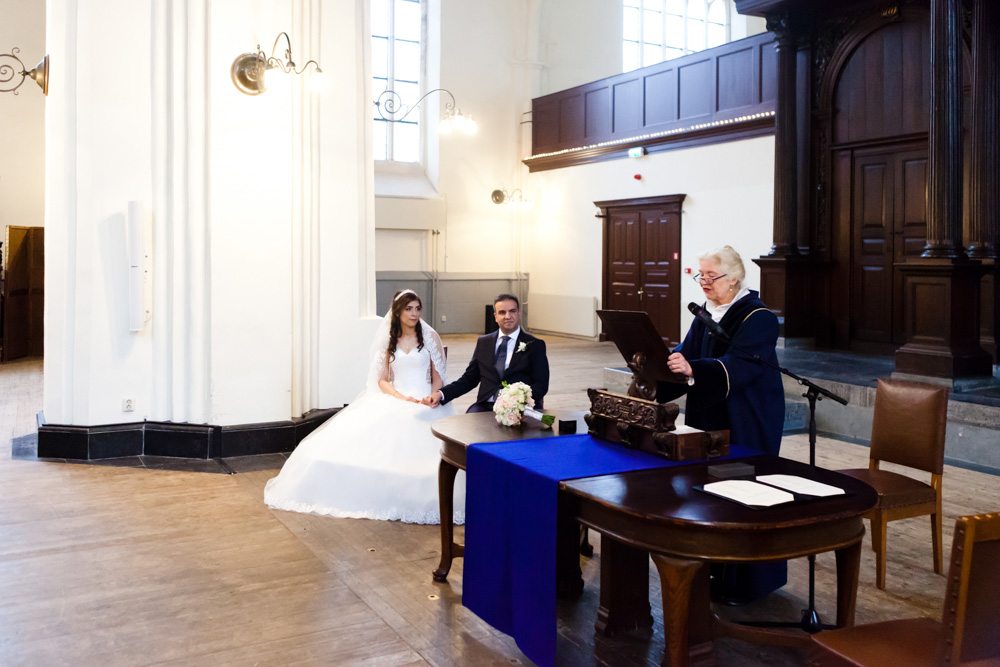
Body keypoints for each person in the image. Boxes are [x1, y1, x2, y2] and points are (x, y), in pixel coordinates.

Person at [264, 289, 464, 524]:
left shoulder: (430, 338)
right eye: (408, 309)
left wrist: (433, 397)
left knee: (424, 429)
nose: (414, 314)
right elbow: (382, 380)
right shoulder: (390, 340)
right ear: (397, 312)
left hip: (425, 400)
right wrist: (400, 397)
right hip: (397, 397)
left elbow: (438, 376)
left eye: (417, 308)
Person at [658, 245, 787, 602]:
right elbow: (684, 355)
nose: (703, 283)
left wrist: (693, 369)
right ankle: (713, 568)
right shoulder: (705, 313)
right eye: (700, 276)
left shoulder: (758, 317)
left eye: (710, 277)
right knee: (709, 490)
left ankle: (749, 582)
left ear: (734, 279)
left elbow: (741, 366)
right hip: (709, 412)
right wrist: (659, 369)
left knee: (745, 494)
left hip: (747, 414)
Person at [426, 293, 549, 413]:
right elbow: (469, 379)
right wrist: (441, 394)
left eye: (512, 311)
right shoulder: (483, 342)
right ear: (495, 316)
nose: (508, 316)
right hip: (485, 406)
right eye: (502, 312)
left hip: (519, 408)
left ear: (519, 313)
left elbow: (541, 384)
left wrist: (519, 402)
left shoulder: (535, 344)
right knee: (468, 428)